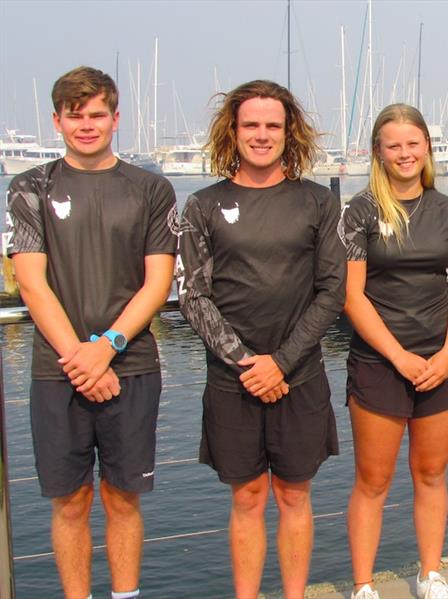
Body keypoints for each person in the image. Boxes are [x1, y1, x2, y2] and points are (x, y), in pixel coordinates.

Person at [5, 66, 177, 599]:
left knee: (123, 497)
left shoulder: (151, 188)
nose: (87, 125)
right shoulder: (30, 186)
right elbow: (32, 283)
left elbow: (157, 284)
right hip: (58, 370)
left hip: (131, 366)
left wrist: (106, 348)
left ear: (116, 119)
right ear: (57, 121)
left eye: (97, 114)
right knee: (71, 500)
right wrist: (80, 358)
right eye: (75, 116)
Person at [176, 80, 344, 599]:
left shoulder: (318, 202)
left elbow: (332, 290)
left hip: (301, 377)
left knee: (295, 495)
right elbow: (192, 295)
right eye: (251, 124)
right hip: (233, 382)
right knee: (247, 497)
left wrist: (283, 362)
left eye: (273, 125)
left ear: (289, 132)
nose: (262, 135)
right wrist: (249, 363)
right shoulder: (203, 206)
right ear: (234, 129)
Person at [339, 103, 448, 599]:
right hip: (381, 363)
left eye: (412, 143)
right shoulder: (361, 211)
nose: (404, 153)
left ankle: (431, 574)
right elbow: (351, 295)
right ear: (379, 150)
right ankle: (363, 585)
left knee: (432, 474)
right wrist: (398, 357)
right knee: (373, 481)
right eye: (393, 144)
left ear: (426, 148)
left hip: (440, 361)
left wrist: (447, 354)